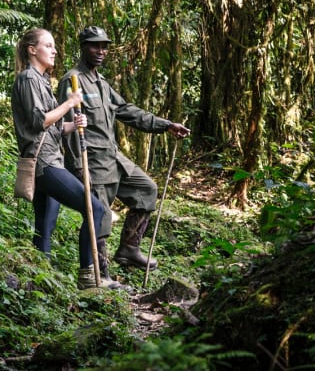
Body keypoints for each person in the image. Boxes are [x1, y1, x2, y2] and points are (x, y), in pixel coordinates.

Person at [57, 25, 189, 272]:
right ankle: (101, 274)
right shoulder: (73, 80)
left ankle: (129, 249)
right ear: (83, 47)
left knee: (146, 190)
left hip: (114, 157)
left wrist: (166, 125)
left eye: (104, 46)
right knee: (100, 217)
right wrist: (77, 168)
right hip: (92, 162)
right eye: (95, 45)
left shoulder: (102, 83)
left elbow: (128, 111)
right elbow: (66, 126)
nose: (101, 51)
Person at [11, 27, 125, 290]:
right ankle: (88, 274)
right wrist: (70, 103)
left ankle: (38, 284)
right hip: (44, 163)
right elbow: (39, 121)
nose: (54, 50)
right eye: (48, 46)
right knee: (94, 208)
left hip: (50, 157)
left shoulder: (40, 80)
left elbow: (51, 126)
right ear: (32, 50)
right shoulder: (28, 78)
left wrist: (71, 125)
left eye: (54, 46)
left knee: (45, 225)